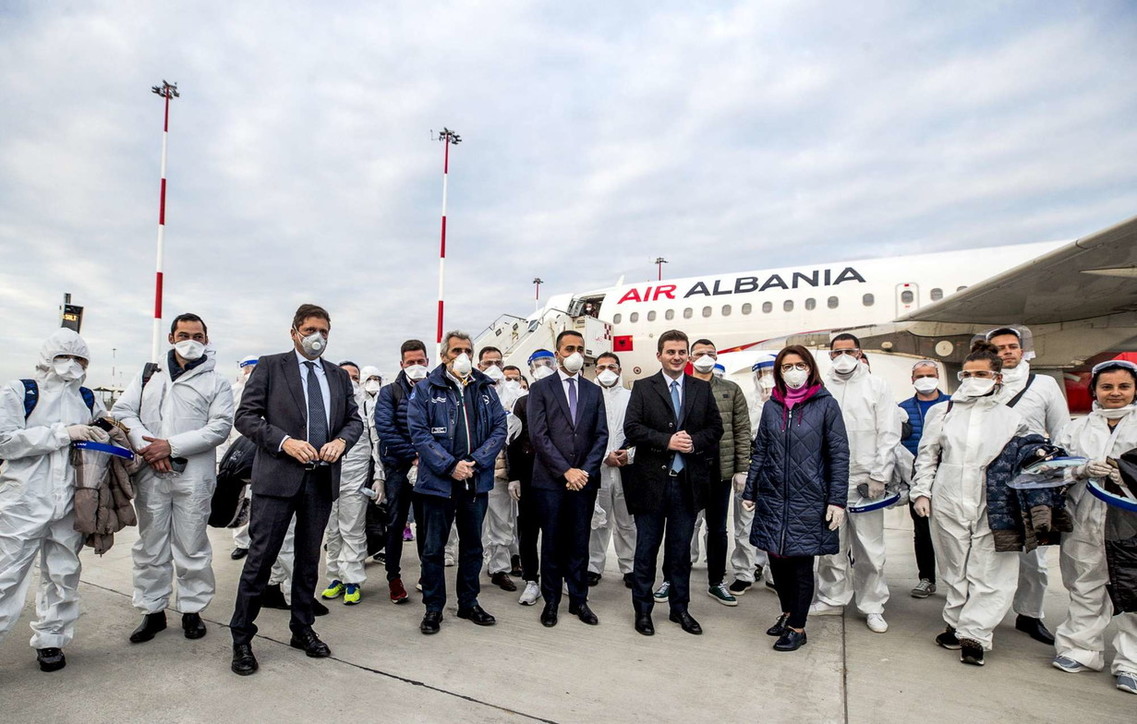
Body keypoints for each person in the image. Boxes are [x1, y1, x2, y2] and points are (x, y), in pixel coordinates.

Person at [228, 304, 364, 676]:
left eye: (323, 330)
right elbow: (246, 417)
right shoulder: (271, 367)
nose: (316, 337)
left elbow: (355, 420)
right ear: (294, 331)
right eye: (309, 329)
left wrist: (341, 441)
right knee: (260, 560)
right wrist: (284, 441)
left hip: (320, 480)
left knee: (307, 562)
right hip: (278, 479)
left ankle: (302, 628)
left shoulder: (337, 376)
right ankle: (242, 637)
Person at [112, 313, 235, 644]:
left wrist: (172, 447)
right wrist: (149, 447)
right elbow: (123, 413)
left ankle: (192, 610)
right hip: (151, 473)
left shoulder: (217, 382)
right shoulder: (148, 374)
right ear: (171, 337)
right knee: (150, 546)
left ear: (207, 340)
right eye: (184, 334)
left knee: (192, 545)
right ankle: (152, 611)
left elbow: (220, 427)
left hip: (193, 477)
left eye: (197, 335)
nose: (190, 341)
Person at [911, 340, 1030, 666]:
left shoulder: (1011, 418)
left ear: (997, 378)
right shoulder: (943, 410)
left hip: (993, 502)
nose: (974, 378)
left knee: (990, 570)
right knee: (954, 565)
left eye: (982, 373)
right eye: (969, 373)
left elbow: (1025, 461)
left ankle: (975, 635)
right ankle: (955, 621)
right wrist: (921, 492)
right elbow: (927, 455)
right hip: (948, 497)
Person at [0, 329, 107, 672]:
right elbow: (5, 441)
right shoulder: (21, 391)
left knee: (62, 573)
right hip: (24, 500)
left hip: (70, 498)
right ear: (47, 358)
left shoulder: (89, 398)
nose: (71, 365)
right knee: (7, 576)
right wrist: (62, 433)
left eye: (79, 359)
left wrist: (104, 434)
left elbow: (106, 431)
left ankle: (51, 641)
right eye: (64, 357)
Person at [742, 345, 849, 652]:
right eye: (786, 366)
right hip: (774, 496)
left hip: (809, 498)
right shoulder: (773, 406)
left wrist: (837, 500)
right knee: (777, 559)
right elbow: (760, 449)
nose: (793, 371)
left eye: (799, 364)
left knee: (800, 564)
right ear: (779, 373)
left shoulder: (826, 405)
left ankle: (798, 628)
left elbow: (839, 454)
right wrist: (751, 489)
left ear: (810, 368)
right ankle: (788, 613)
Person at [407, 330, 508, 635]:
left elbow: (499, 428)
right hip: (438, 483)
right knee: (434, 548)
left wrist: (475, 462)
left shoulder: (485, 388)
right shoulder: (426, 389)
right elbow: (419, 434)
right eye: (455, 351)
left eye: (466, 350)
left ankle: (469, 602)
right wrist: (450, 465)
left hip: (475, 482)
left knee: (473, 546)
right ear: (444, 355)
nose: (461, 356)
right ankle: (433, 607)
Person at [623, 330, 723, 636]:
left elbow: (715, 428)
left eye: (682, 352)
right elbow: (632, 428)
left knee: (680, 552)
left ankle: (680, 609)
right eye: (671, 352)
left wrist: (693, 443)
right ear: (659, 356)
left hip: (686, 483)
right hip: (652, 482)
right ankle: (643, 611)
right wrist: (667, 441)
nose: (677, 357)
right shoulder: (642, 387)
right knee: (646, 550)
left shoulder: (700, 389)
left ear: (688, 356)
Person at [1052, 359, 1137, 692]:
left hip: (1130, 523)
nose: (1115, 393)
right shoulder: (1077, 427)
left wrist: (1126, 477)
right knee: (1084, 585)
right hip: (1084, 519)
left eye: (1123, 386)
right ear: (1095, 390)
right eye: (1107, 387)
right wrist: (1080, 470)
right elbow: (1054, 467)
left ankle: (1131, 662)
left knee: (1134, 592)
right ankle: (1080, 650)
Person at [811, 333, 899, 634]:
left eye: (849, 350)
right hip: (829, 479)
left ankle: (872, 605)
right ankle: (832, 598)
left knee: (870, 549)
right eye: (837, 351)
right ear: (830, 355)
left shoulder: (877, 386)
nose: (843, 356)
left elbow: (889, 433)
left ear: (859, 353)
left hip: (865, 480)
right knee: (830, 545)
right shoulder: (821, 387)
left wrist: (880, 475)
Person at [987, 327, 1070, 645]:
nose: (1007, 352)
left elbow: (1062, 430)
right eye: (999, 348)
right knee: (990, 550)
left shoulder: (1044, 385)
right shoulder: (983, 384)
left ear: (1022, 351)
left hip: (1031, 477)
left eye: (1012, 347)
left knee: (1032, 554)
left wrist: (1056, 477)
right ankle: (985, 614)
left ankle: (1030, 615)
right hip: (991, 475)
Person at [528, 330, 609, 627]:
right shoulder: (542, 388)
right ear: (558, 352)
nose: (575, 353)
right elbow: (539, 435)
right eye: (569, 348)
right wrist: (566, 470)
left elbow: (601, 435)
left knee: (579, 542)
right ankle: (551, 601)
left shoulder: (593, 390)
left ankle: (579, 600)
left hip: (583, 481)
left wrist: (584, 471)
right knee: (551, 543)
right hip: (551, 481)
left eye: (580, 348)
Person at [669, 339, 750, 608]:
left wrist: (741, 469)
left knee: (717, 529)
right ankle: (671, 579)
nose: (706, 357)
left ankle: (716, 581)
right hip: (687, 469)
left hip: (720, 470)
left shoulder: (731, 389)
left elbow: (741, 430)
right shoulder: (682, 388)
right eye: (700, 353)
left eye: (711, 353)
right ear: (691, 357)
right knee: (682, 527)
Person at [318, 362, 383, 606]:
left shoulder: (368, 406)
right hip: (328, 476)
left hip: (355, 480)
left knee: (352, 530)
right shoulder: (326, 405)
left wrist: (379, 477)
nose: (352, 381)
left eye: (355, 377)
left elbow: (376, 445)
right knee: (332, 531)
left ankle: (352, 579)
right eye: (346, 376)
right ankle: (334, 577)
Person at [375, 340, 430, 603]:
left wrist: (428, 457)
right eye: (411, 362)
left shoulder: (437, 390)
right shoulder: (389, 392)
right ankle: (393, 577)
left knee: (427, 523)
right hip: (398, 467)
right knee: (396, 523)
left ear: (428, 361)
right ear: (402, 364)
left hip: (430, 468)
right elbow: (386, 429)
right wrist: (413, 455)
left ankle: (426, 574)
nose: (416, 366)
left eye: (420, 361)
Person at [898, 360, 950, 599]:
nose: (925, 379)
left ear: (938, 376)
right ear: (912, 380)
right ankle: (926, 578)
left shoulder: (953, 405)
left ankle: (959, 581)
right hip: (917, 477)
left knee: (953, 532)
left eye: (930, 375)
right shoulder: (903, 409)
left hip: (949, 476)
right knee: (922, 530)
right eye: (920, 376)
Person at [507, 350, 555, 606]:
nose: (543, 367)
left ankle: (553, 578)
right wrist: (514, 476)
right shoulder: (522, 402)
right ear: (530, 368)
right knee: (528, 531)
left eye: (548, 363)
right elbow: (513, 442)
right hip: (528, 476)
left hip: (557, 476)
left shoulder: (563, 399)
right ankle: (531, 580)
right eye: (538, 364)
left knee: (555, 531)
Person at [588, 352, 636, 589]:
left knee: (627, 521)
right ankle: (594, 566)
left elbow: (639, 431)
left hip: (626, 467)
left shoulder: (632, 397)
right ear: (595, 370)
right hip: (599, 468)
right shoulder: (588, 397)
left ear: (619, 369)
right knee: (599, 521)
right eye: (601, 366)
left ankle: (629, 567)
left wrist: (628, 454)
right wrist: (602, 456)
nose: (607, 371)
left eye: (612, 366)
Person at [730, 354, 776, 596]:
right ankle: (744, 572)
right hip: (750, 467)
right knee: (744, 523)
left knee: (773, 522)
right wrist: (742, 469)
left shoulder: (790, 401)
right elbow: (743, 432)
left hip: (777, 472)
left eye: (771, 372)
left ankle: (772, 572)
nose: (767, 378)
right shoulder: (747, 401)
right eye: (762, 373)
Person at [477, 345, 520, 593]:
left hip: (500, 471)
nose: (493, 366)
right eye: (487, 362)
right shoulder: (471, 390)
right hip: (475, 468)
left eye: (497, 362)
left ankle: (500, 569)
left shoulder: (513, 394)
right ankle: (478, 566)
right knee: (477, 525)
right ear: (479, 365)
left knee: (503, 523)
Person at [229, 354, 260, 560]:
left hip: (259, 450)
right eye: (248, 368)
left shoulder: (267, 391)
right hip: (238, 451)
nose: (250, 372)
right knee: (240, 498)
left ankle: (257, 539)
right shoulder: (232, 391)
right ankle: (241, 542)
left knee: (258, 498)